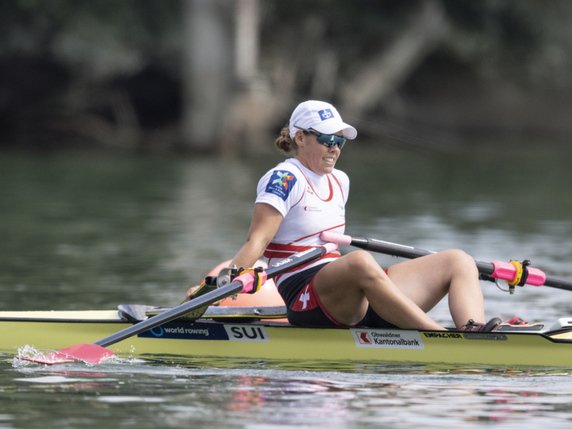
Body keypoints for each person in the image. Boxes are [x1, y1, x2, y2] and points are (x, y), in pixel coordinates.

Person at [189, 99, 501, 332]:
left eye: (340, 141)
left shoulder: (341, 180)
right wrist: (228, 279)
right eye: (327, 140)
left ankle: (473, 332)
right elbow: (257, 239)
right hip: (305, 297)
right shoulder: (284, 179)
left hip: (349, 292)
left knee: (458, 260)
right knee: (360, 261)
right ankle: (440, 337)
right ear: (300, 138)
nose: (335, 149)